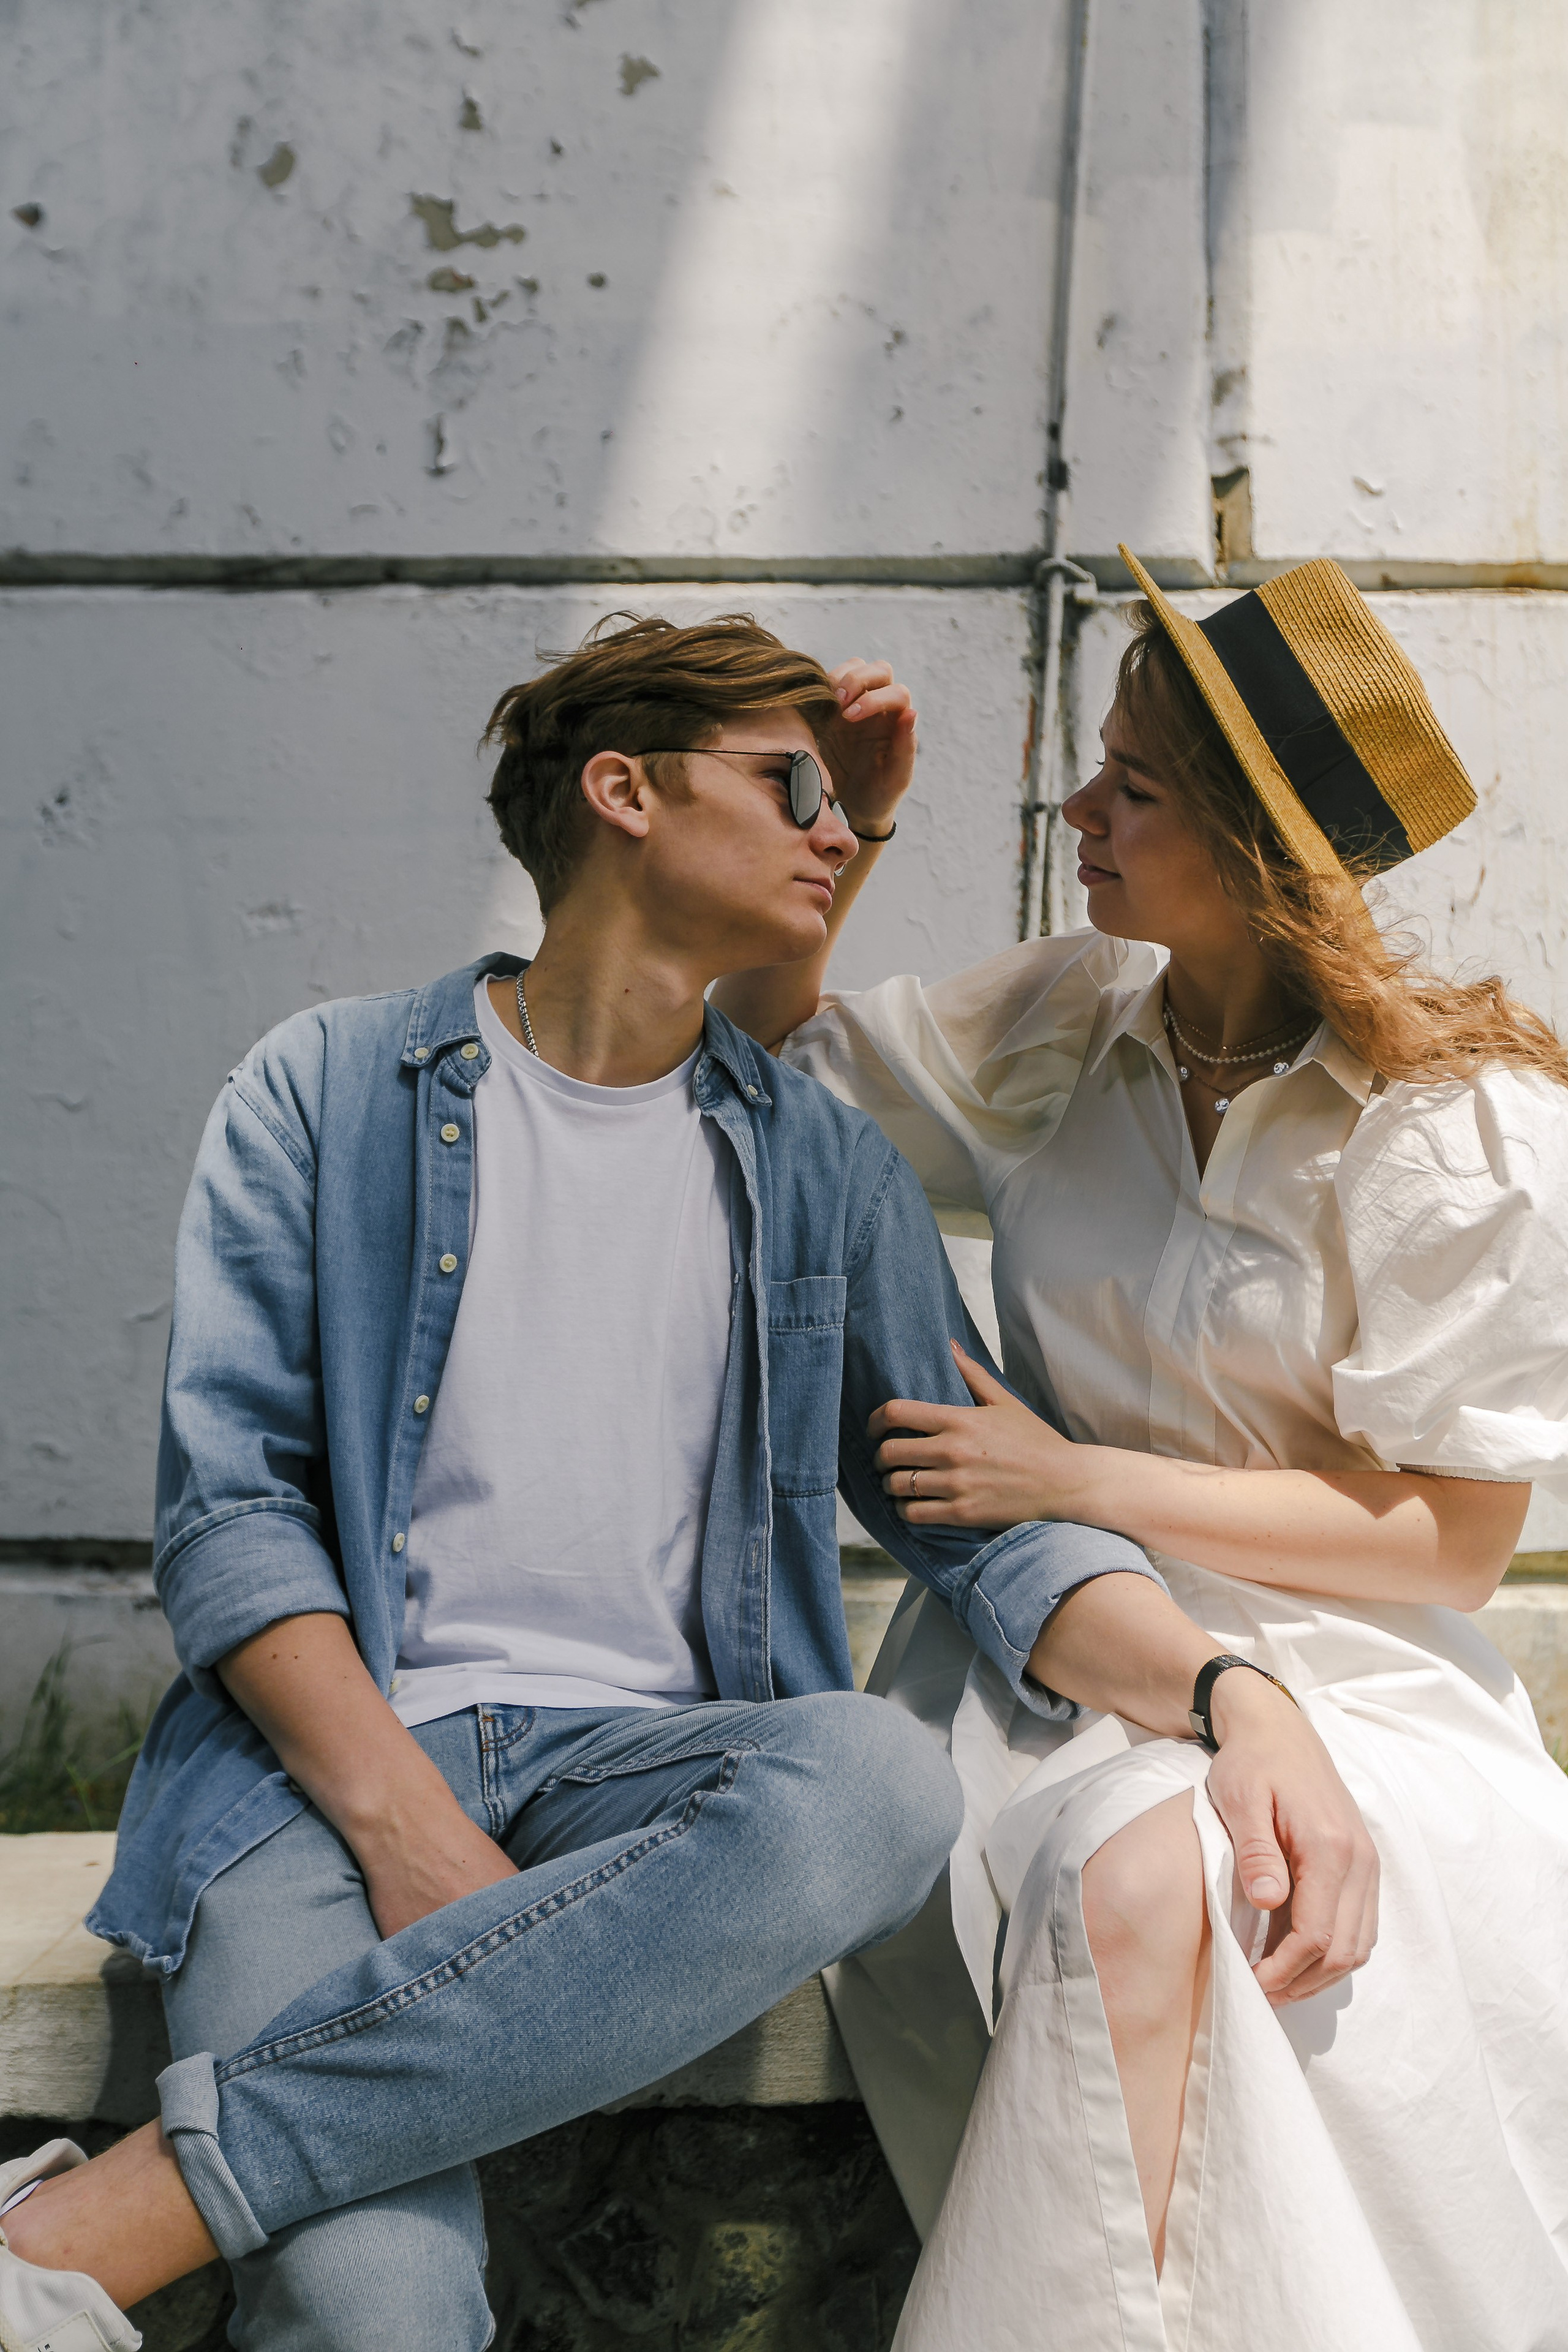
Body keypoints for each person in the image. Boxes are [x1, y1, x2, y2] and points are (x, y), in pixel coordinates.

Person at [0, 612, 1369, 2352]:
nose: (837, 831)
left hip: (647, 1779)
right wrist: (406, 1824)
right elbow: (232, 1524)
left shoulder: (820, 1171)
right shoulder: (325, 1089)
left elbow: (990, 1530)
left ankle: (76, 2227)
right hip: (316, 1773)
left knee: (877, 1779)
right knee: (375, 2316)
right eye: (792, 786)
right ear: (623, 790)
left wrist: (1234, 1693)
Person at [718, 549, 1568, 2348]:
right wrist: (841, 849)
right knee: (1137, 1873)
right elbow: (767, 1081)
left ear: (1262, 857)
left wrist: (1075, 1473)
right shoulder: (1068, 1027)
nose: (1079, 808)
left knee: (1184, 1882)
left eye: (1136, 786)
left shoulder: (1447, 1130)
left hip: (1352, 1671)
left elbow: (1452, 1548)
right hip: (1045, 1651)